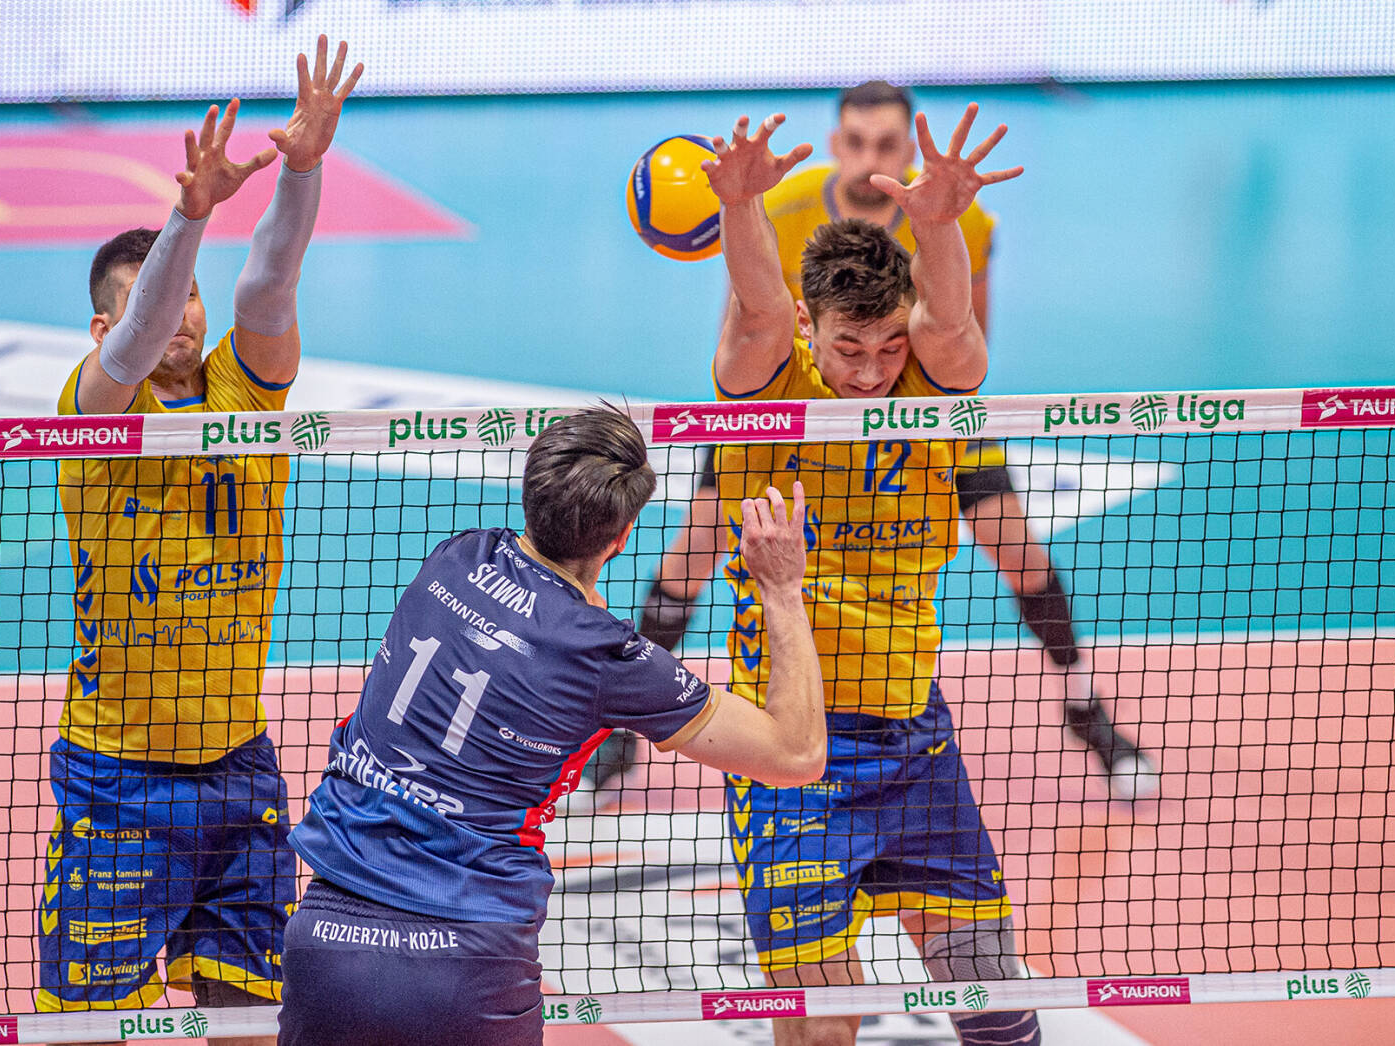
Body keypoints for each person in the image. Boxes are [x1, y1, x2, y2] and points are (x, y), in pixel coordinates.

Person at [621, 81, 1156, 804]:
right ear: (836, 143)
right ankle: (621, 733)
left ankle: (1085, 707)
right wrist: (743, 213)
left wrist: (911, 373)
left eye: (885, 144)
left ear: (906, 150)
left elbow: (961, 336)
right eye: (857, 142)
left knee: (1022, 557)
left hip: (917, 408)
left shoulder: (962, 216)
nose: (869, 156)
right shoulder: (783, 202)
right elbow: (751, 319)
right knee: (688, 558)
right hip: (788, 410)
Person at [278, 406, 827, 1046]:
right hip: (468, 958)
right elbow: (797, 755)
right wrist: (781, 589)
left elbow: (537, 617)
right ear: (622, 536)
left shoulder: (455, 558)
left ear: (531, 493)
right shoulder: (605, 657)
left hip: (327, 940)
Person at [35, 38, 362, 1040]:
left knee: (255, 1020)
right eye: (150, 299)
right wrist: (190, 215)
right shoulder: (94, 413)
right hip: (119, 775)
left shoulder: (242, 390)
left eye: (185, 294)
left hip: (239, 769)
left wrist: (302, 170)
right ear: (100, 329)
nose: (176, 314)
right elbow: (138, 341)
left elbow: (269, 282)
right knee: (91, 1030)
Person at [702, 108, 1041, 1045]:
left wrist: (939, 224)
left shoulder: (930, 389)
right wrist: (741, 207)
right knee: (822, 1025)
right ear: (809, 328)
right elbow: (757, 310)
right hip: (790, 752)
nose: (868, 374)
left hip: (914, 740)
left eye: (888, 347)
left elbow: (952, 323)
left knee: (995, 1001)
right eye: (848, 349)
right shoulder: (769, 389)